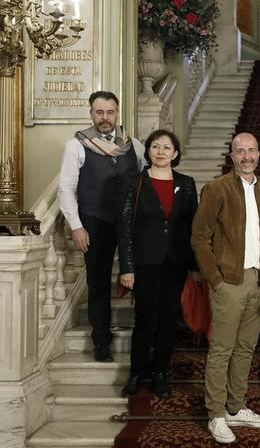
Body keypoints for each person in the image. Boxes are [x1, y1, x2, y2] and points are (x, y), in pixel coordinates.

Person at [191, 132, 260, 445]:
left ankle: (235, 406)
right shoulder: (217, 189)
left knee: (245, 349)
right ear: (232, 156)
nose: (247, 156)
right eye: (240, 151)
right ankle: (216, 414)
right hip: (229, 282)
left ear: (259, 154)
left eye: (252, 150)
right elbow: (199, 238)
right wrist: (215, 279)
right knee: (222, 349)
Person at [58, 91, 144, 362]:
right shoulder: (77, 145)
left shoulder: (134, 145)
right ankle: (101, 341)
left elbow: (145, 180)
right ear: (91, 113)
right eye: (99, 112)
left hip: (130, 222)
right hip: (96, 220)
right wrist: (76, 226)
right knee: (98, 283)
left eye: (110, 112)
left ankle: (145, 333)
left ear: (117, 113)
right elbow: (66, 188)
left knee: (143, 276)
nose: (105, 118)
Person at [117, 129, 199, 398]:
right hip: (145, 262)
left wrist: (195, 266)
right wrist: (127, 267)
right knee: (144, 319)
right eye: (155, 146)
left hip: (175, 261)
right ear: (148, 151)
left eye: (166, 147)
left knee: (168, 319)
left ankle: (161, 373)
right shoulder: (134, 182)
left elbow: (192, 226)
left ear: (175, 153)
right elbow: (125, 228)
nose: (161, 151)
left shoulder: (186, 184)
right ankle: (137, 372)